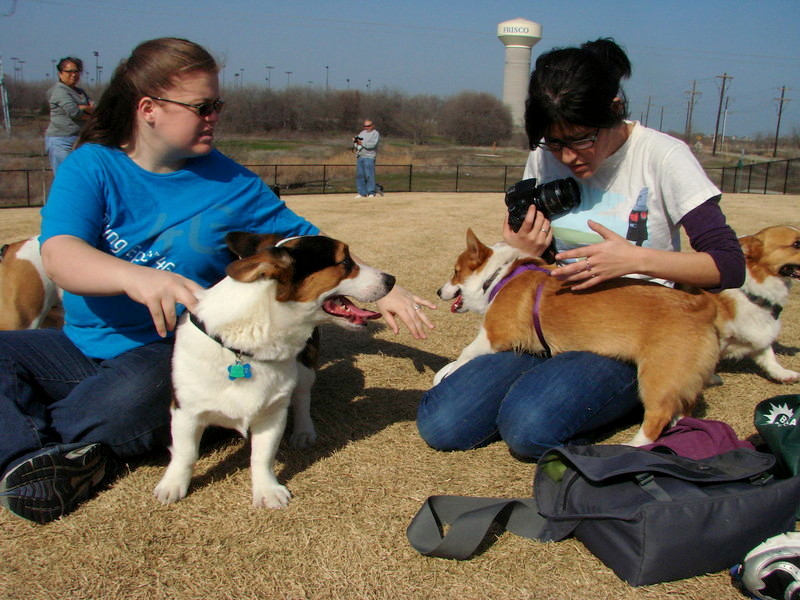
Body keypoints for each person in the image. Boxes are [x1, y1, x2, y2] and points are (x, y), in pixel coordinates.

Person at [0, 38, 434, 524]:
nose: (214, 117)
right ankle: (31, 458)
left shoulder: (231, 180)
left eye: (217, 105)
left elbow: (303, 241)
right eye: (202, 107)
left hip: (170, 350)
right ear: (149, 109)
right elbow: (60, 254)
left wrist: (379, 287)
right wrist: (134, 277)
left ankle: (41, 435)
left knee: (138, 398)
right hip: (80, 347)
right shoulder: (92, 165)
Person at [417, 38, 745, 461]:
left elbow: (729, 264)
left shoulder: (663, 156)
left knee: (529, 427)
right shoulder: (545, 156)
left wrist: (636, 259)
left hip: (632, 330)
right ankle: (553, 378)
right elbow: (546, 251)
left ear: (614, 107)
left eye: (582, 138)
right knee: (444, 423)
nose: (568, 156)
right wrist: (521, 249)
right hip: (552, 318)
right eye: (555, 143)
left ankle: (645, 398)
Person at [44, 57, 94, 174]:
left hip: (79, 140)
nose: (73, 75)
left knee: (81, 176)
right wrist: (86, 109)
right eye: (69, 71)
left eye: (76, 71)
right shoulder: (59, 90)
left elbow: (96, 110)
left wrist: (84, 109)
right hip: (61, 141)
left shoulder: (80, 92)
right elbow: (73, 112)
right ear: (60, 73)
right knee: (66, 176)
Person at [354, 119, 380, 198]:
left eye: (368, 126)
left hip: (369, 157)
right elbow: (357, 142)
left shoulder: (375, 134)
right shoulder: (362, 133)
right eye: (365, 126)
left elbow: (372, 145)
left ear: (372, 126)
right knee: (360, 175)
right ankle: (362, 192)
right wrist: (356, 143)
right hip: (360, 156)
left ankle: (371, 192)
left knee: (369, 175)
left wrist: (361, 143)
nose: (366, 127)